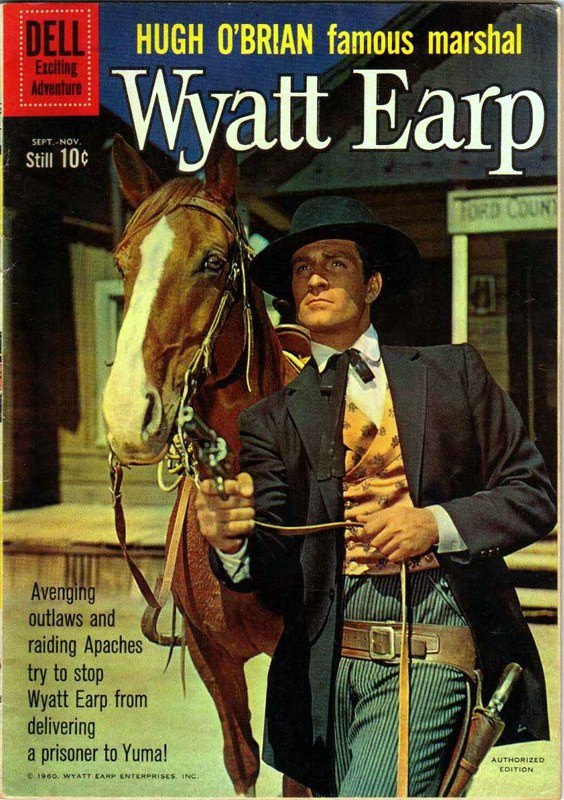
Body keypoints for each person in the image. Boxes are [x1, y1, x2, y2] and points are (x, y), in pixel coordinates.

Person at [195, 196, 555, 797]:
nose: (314, 278)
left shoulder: (454, 375)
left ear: (373, 284)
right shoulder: (269, 420)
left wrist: (435, 523)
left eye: (334, 263)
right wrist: (231, 542)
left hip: (428, 647)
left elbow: (533, 494)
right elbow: (271, 561)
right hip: (320, 670)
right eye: (302, 267)